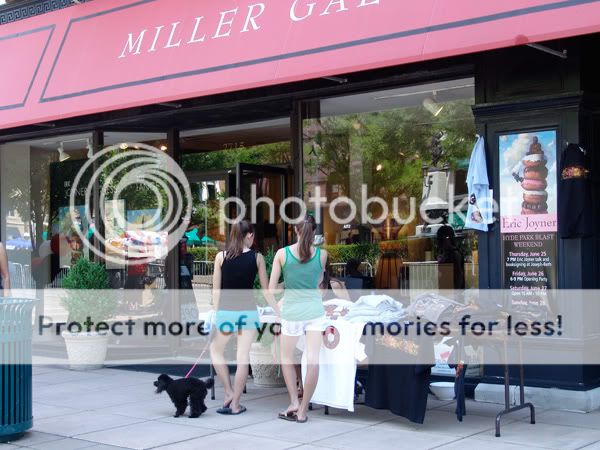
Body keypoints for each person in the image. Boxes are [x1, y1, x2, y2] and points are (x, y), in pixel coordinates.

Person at [210, 219, 279, 415]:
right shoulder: (257, 258)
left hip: (225, 312)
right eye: (253, 235)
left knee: (216, 351)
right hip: (247, 313)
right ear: (248, 235)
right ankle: (236, 404)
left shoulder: (220, 257)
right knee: (243, 359)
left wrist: (216, 314)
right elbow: (267, 292)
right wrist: (278, 312)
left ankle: (228, 393)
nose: (253, 238)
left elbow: (216, 292)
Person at [269, 215, 328, 423]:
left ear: (295, 230)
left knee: (286, 358)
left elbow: (270, 290)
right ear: (314, 232)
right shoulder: (322, 255)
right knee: (313, 362)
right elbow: (319, 282)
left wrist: (278, 311)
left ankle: (294, 401)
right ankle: (302, 410)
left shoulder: (282, 254)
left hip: (292, 311)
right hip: (314, 311)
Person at [436, 225, 465, 290]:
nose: (439, 243)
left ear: (447, 239)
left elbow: (459, 276)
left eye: (440, 240)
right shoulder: (446, 253)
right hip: (446, 290)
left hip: (452, 292)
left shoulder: (454, 254)